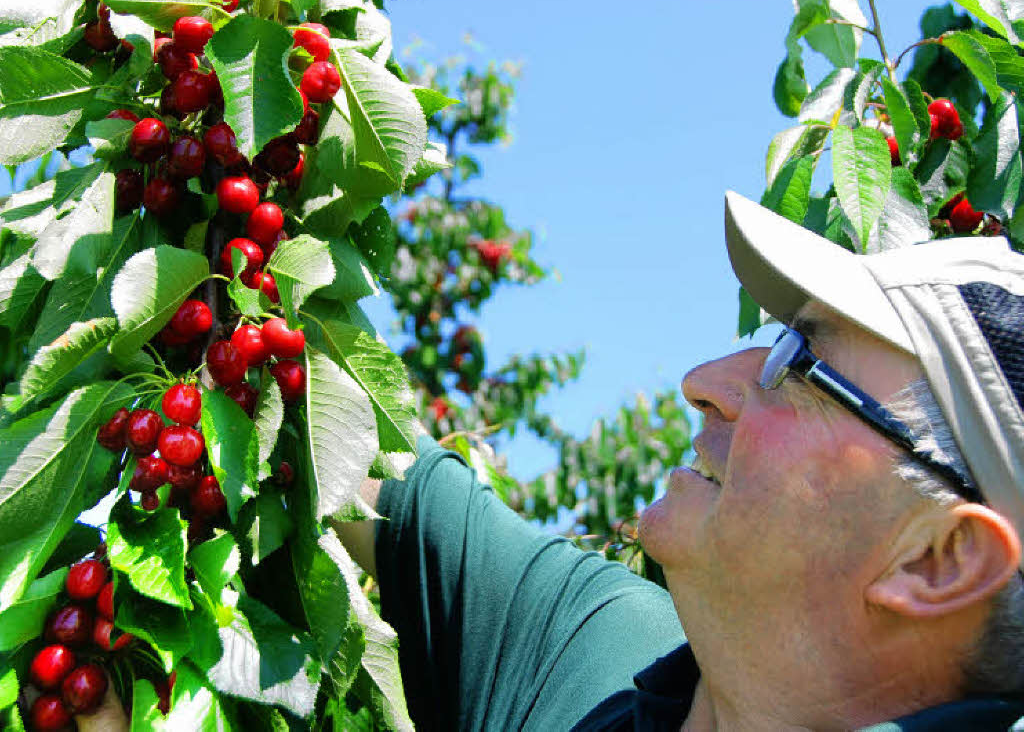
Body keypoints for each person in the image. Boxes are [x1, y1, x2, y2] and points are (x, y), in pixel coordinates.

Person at [81, 191, 1024, 730]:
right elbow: (323, 454)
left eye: (796, 363)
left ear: (936, 559)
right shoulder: (594, 649)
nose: (705, 379)